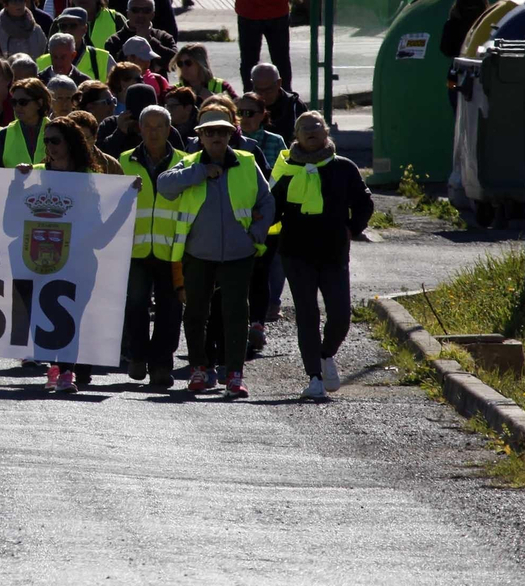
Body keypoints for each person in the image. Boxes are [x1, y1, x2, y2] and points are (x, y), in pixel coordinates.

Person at [156, 108, 275, 399]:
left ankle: (234, 374)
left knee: (236, 313)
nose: (215, 137)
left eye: (221, 132)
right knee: (196, 313)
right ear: (200, 137)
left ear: (231, 135)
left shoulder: (246, 163)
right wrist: (200, 172)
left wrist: (254, 237)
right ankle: (199, 368)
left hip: (238, 253)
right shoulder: (189, 163)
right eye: (209, 132)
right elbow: (164, 186)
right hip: (197, 253)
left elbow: (267, 200)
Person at [269, 112, 374, 400]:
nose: (311, 132)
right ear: (296, 136)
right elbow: (271, 205)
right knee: (306, 314)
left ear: (326, 133)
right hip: (295, 252)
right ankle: (314, 376)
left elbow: (364, 203)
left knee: (340, 315)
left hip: (333, 252)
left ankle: (326, 354)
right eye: (305, 128)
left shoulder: (343, 167)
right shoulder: (288, 168)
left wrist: (351, 229)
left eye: (316, 127)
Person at [24, 116, 105, 392]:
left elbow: (97, 220)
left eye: (55, 140)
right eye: (46, 141)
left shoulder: (89, 178)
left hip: (80, 258)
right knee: (42, 314)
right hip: (41, 259)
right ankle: (52, 365)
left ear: (70, 143)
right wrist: (17, 181)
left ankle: (68, 370)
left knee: (72, 316)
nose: (50, 146)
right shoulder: (35, 173)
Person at [120, 105, 188, 388]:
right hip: (134, 250)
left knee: (170, 309)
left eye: (159, 126)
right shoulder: (124, 161)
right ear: (139, 129)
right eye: (147, 126)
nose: (153, 131)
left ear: (169, 130)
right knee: (134, 305)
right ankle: (136, 356)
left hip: (173, 250)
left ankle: (161, 364)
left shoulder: (186, 162)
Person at [248, 61, 307, 144]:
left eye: (268, 90)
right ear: (252, 84)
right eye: (259, 90)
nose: (264, 95)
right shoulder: (246, 107)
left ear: (279, 83)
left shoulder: (295, 106)